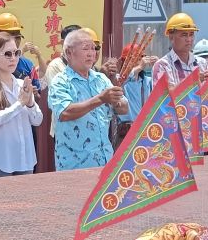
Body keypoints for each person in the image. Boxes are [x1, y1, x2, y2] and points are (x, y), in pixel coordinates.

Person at [48, 28, 129, 171]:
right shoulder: (60, 81)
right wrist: (101, 98)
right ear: (68, 53)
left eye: (94, 48)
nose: (92, 53)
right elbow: (65, 112)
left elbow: (124, 108)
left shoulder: (101, 79)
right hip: (74, 164)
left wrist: (116, 101)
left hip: (105, 159)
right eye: (86, 49)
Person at [0, 32, 43, 177]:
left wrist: (30, 102)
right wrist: (20, 103)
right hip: (0, 161)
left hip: (25, 159)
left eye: (16, 53)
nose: (13, 58)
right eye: (7, 54)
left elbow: (38, 120)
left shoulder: (22, 84)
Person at [152, 12, 208, 86]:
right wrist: (192, 81)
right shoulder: (162, 66)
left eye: (191, 34)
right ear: (171, 37)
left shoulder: (202, 63)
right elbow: (163, 96)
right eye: (184, 35)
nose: (189, 39)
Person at [114, 54, 158, 145]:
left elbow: (165, 86)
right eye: (133, 57)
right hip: (126, 133)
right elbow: (122, 79)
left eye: (141, 57)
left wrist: (159, 66)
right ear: (124, 61)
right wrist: (139, 67)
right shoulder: (118, 79)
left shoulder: (147, 81)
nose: (139, 60)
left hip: (145, 131)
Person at [43, 23, 83, 90]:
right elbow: (57, 96)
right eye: (75, 41)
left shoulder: (85, 65)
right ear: (63, 42)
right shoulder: (55, 66)